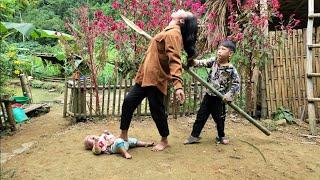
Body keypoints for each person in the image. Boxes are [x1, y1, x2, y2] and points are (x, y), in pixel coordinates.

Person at [119, 9, 198, 151]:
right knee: (128, 102)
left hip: (156, 78)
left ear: (181, 21)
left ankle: (164, 140)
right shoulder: (169, 31)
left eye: (184, 11)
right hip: (145, 76)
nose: (181, 9)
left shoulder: (174, 34)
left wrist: (178, 85)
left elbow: (175, 60)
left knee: (157, 110)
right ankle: (123, 135)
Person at [184, 40, 240, 145]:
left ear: (230, 53)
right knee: (201, 116)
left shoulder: (231, 69)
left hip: (220, 98)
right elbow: (201, 63)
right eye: (219, 49)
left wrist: (229, 94)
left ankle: (221, 136)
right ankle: (194, 136)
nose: (219, 51)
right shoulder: (214, 61)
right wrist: (193, 62)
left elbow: (236, 84)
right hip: (208, 95)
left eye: (223, 49)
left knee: (220, 119)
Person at [84, 130, 154, 159]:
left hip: (123, 142)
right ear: (90, 146)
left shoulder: (102, 137)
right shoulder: (95, 147)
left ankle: (145, 143)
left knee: (129, 139)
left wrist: (107, 133)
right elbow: (97, 151)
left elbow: (110, 136)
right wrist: (96, 142)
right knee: (118, 141)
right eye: (91, 139)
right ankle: (125, 153)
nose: (93, 137)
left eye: (91, 136)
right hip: (114, 147)